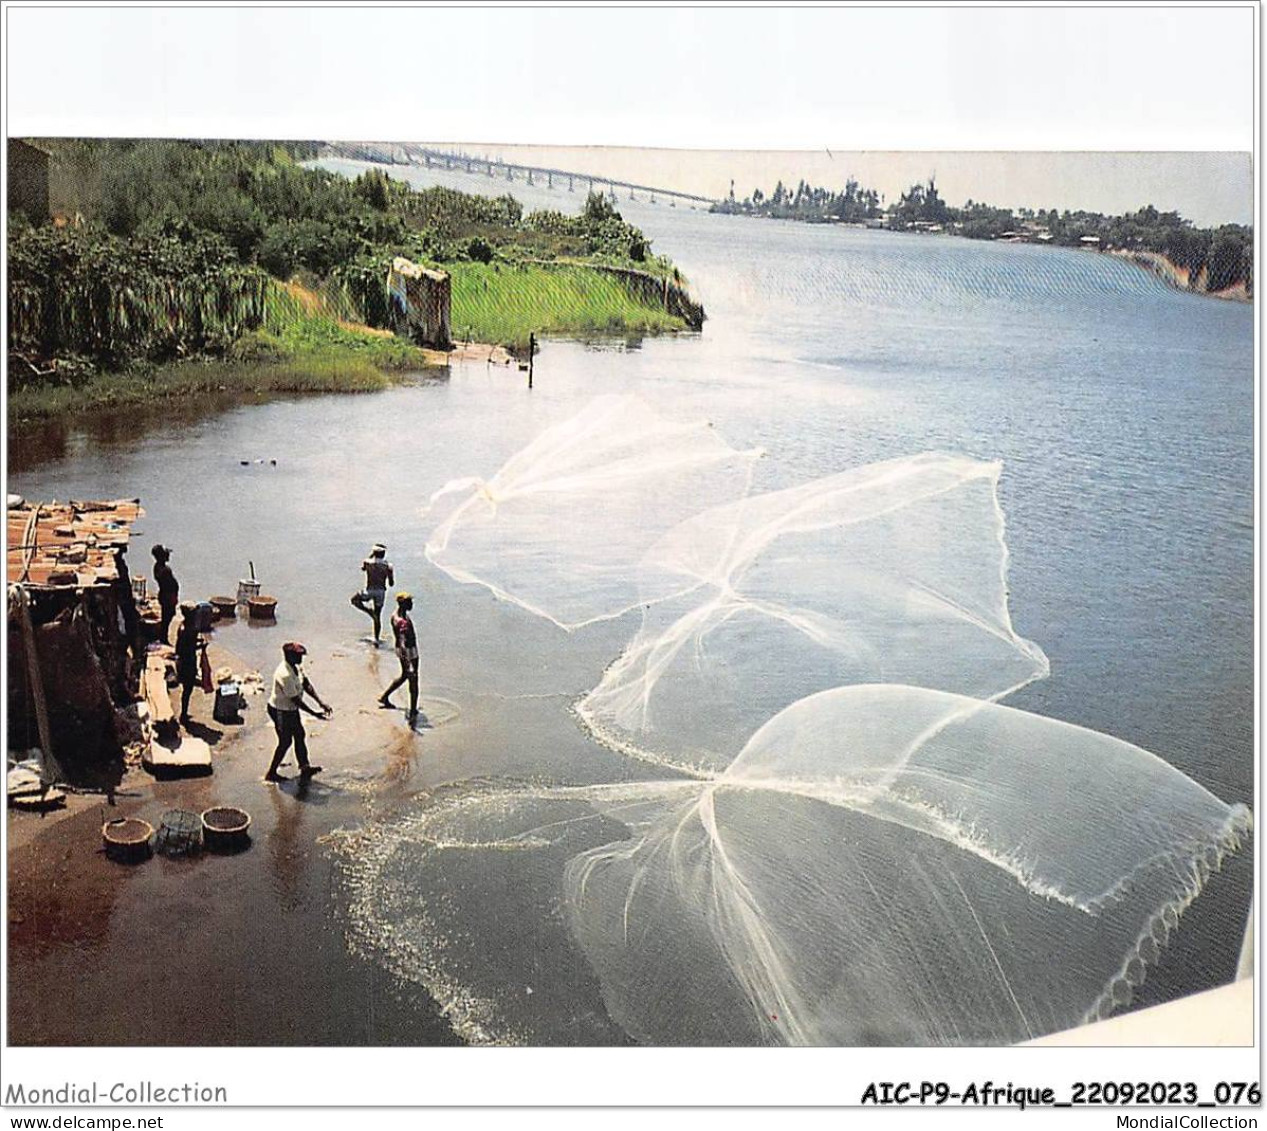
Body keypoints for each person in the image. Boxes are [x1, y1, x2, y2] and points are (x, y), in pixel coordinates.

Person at [265, 642, 331, 782]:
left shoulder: (296, 667)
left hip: (291, 709)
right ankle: (271, 773)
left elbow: (306, 684)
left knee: (300, 734)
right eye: (299, 656)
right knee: (285, 741)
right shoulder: (284, 674)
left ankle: (304, 766)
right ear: (290, 656)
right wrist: (314, 713)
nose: (301, 659)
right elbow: (296, 700)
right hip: (280, 710)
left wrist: (320, 702)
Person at [378, 592, 419, 722]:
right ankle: (413, 710)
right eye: (409, 602)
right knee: (413, 678)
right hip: (407, 651)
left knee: (404, 676)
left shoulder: (396, 616)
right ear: (403, 604)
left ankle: (385, 697)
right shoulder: (402, 622)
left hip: (402, 650)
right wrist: (409, 664)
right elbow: (402, 642)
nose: (412, 604)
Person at [350, 543, 394, 643]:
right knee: (378, 616)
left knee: (354, 600)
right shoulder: (388, 566)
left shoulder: (368, 562)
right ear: (383, 554)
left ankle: (369, 611)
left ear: (374, 553)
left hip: (369, 590)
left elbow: (363, 568)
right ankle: (376, 638)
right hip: (381, 591)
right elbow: (391, 583)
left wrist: (371, 555)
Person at [173, 602, 206, 726]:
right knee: (187, 689)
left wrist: (198, 642)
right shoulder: (188, 630)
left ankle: (184, 713)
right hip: (187, 662)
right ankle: (183, 714)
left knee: (186, 688)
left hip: (183, 660)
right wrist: (201, 646)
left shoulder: (184, 626)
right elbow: (189, 647)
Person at [152, 544, 179, 643]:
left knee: (167, 616)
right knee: (167, 617)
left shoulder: (158, 567)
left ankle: (163, 636)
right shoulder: (164, 570)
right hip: (168, 596)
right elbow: (170, 584)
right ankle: (163, 637)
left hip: (166, 595)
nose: (168, 556)